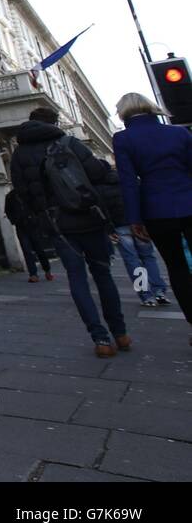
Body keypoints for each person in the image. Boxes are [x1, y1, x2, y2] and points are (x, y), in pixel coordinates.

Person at [10, 106, 131, 357]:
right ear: (54, 122)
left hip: (57, 225)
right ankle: (120, 333)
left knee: (77, 279)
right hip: (88, 217)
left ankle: (100, 339)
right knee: (103, 274)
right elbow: (98, 174)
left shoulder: (19, 154)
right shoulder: (69, 142)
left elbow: (22, 193)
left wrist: (41, 215)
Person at [111, 92, 192, 346]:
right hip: (190, 201)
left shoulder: (123, 138)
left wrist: (135, 219)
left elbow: (129, 183)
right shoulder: (179, 133)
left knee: (177, 266)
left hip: (156, 209)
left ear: (123, 113)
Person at [111, 224, 170, 307]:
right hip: (139, 223)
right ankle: (159, 291)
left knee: (132, 261)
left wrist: (109, 229)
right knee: (148, 257)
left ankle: (146, 296)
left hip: (120, 223)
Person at [4, 188, 54, 283]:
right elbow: (8, 210)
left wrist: (35, 218)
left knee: (39, 249)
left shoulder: (28, 194)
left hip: (32, 225)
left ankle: (47, 270)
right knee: (26, 250)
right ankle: (33, 274)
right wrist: (14, 220)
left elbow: (37, 206)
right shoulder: (10, 197)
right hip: (21, 226)